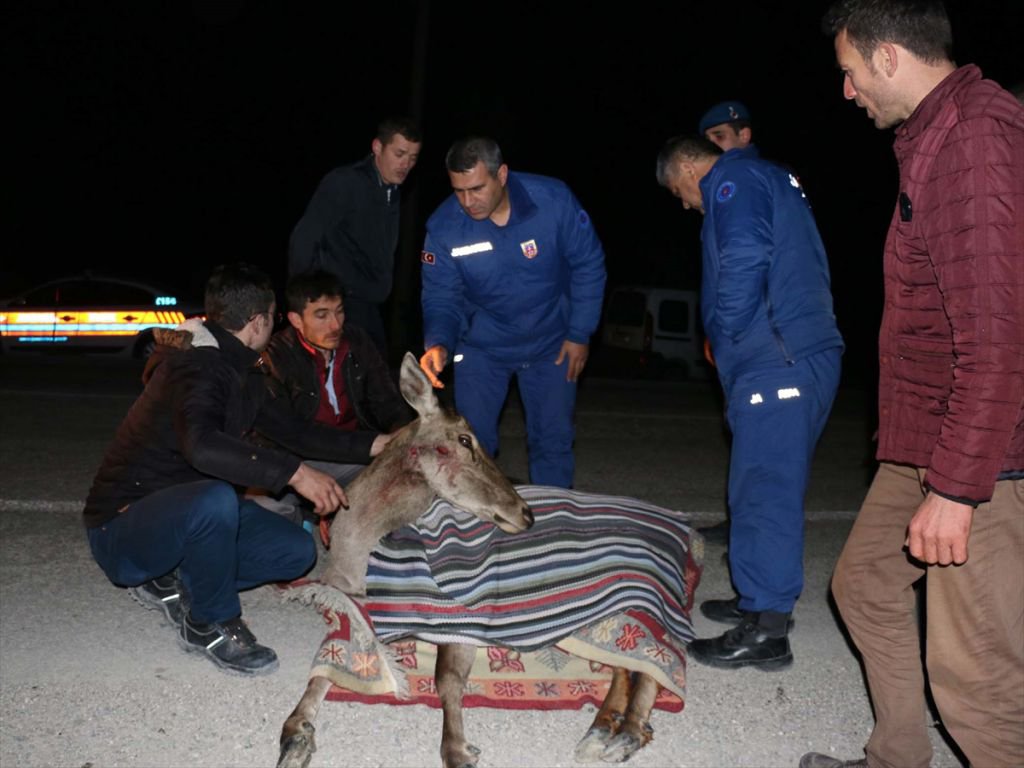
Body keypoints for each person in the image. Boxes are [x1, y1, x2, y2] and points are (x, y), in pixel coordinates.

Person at [803, 3, 1024, 767]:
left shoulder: (973, 142)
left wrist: (959, 491)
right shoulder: (932, 137)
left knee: (977, 678)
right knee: (863, 583)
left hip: (986, 453)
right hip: (929, 433)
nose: (847, 89)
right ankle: (897, 755)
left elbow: (998, 338)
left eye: (850, 71)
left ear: (888, 56)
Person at [83, 263, 393, 676]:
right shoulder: (195, 366)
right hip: (123, 528)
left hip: (185, 516)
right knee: (215, 498)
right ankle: (209, 621)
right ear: (258, 320)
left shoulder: (242, 368)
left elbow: (297, 433)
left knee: (294, 552)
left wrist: (381, 445)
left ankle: (171, 580)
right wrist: (296, 474)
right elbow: (203, 446)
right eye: (274, 317)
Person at [656, 135, 843, 670]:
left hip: (775, 357)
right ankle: (756, 598)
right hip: (789, 354)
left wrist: (730, 332)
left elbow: (742, 255)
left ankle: (767, 630)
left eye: (680, 191)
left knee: (766, 491)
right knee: (753, 484)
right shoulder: (769, 176)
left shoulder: (732, 182)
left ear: (690, 166)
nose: (687, 204)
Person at [418, 136, 606, 488]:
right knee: (472, 446)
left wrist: (580, 332)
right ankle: (476, 529)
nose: (467, 201)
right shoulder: (444, 227)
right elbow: (441, 295)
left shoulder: (553, 201)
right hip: (482, 349)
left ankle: (552, 524)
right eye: (458, 190)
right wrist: (439, 343)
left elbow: (588, 264)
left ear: (501, 174)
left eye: (476, 188)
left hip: (552, 343)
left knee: (553, 440)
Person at [254, 270, 413, 526]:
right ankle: (306, 522)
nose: (335, 325)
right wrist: (372, 443)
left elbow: (388, 403)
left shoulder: (357, 342)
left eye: (339, 311)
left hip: (353, 459)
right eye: (322, 315)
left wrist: (400, 435)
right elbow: (293, 435)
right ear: (296, 319)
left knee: (405, 484)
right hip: (299, 463)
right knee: (264, 510)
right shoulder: (275, 358)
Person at [288, 117, 423, 355]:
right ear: (377, 147)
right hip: (340, 303)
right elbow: (305, 237)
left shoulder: (392, 191)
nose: (406, 164)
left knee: (372, 377)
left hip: (369, 304)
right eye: (400, 154)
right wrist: (305, 301)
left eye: (413, 157)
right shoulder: (345, 183)